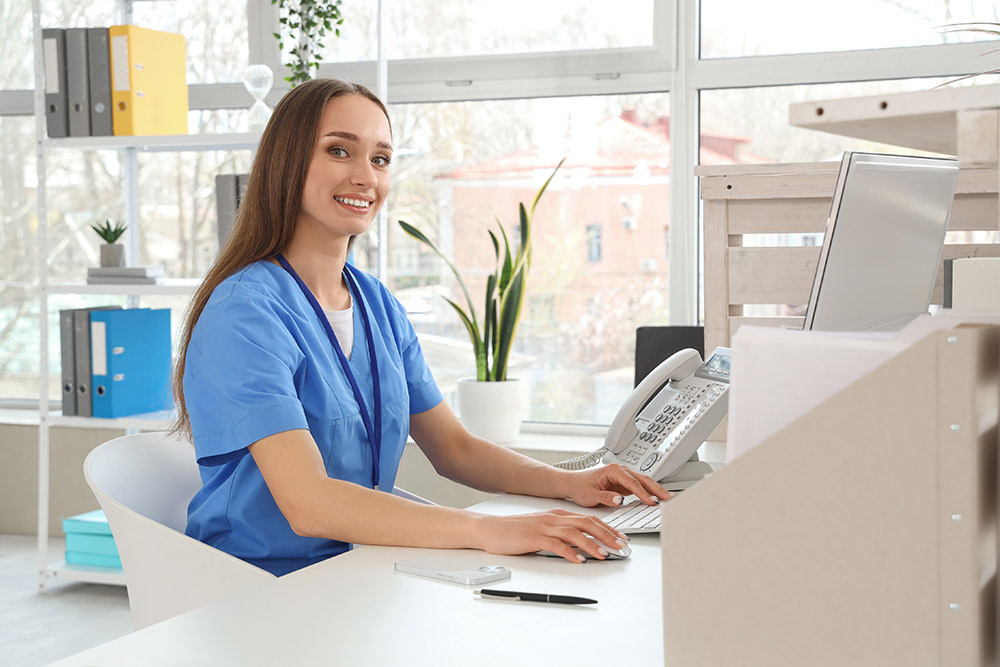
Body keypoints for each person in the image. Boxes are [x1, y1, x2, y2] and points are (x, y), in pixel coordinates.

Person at [172, 78, 670, 577]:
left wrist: (571, 481)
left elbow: (454, 449)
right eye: (339, 151)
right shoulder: (245, 313)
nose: (365, 176)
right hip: (255, 586)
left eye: (381, 159)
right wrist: (487, 531)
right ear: (287, 162)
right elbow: (310, 504)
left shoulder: (377, 304)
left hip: (362, 569)